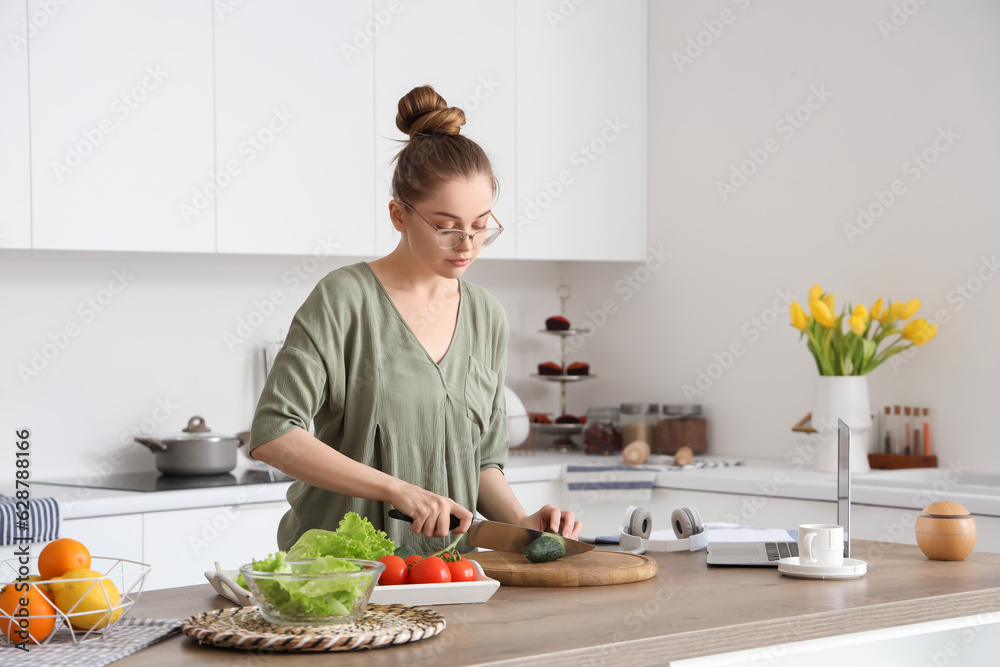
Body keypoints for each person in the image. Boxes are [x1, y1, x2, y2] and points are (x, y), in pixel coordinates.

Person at [249, 85, 583, 555]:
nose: (465, 244)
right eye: (446, 227)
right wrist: (395, 489)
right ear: (398, 215)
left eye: (481, 226)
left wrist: (527, 523)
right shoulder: (345, 298)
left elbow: (483, 462)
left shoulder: (487, 316)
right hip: (342, 580)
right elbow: (274, 434)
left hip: (449, 577)